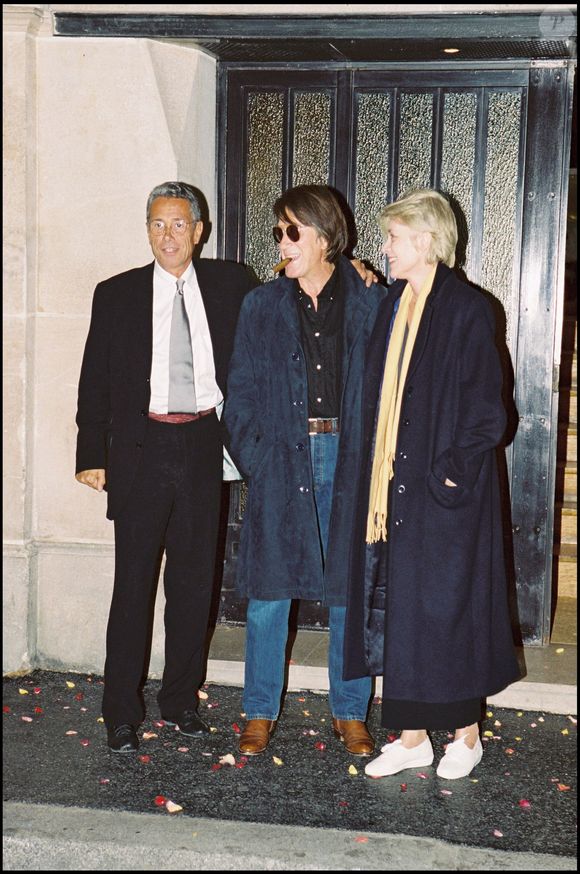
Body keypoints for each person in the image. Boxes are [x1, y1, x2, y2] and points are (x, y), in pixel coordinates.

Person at [343, 188, 521, 780]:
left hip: (447, 496)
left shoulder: (469, 309)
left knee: (450, 614)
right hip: (393, 491)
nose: (386, 247)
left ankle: (466, 735)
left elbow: (488, 413)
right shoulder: (394, 304)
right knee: (404, 615)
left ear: (424, 241)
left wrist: (449, 470)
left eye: (394, 237)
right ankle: (414, 736)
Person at [75, 181, 254, 752]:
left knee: (193, 584)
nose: (167, 235)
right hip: (140, 452)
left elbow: (295, 293)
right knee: (132, 586)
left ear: (198, 232)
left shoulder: (233, 285)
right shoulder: (117, 294)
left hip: (202, 445)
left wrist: (357, 272)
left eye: (178, 225)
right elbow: (94, 381)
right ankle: (121, 712)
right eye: (157, 224)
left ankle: (180, 701)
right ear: (147, 230)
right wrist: (90, 455)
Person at [224, 184, 387, 757]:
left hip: (350, 458)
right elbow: (238, 393)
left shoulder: (371, 300)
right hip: (281, 459)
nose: (282, 242)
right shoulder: (261, 304)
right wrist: (259, 459)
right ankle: (259, 711)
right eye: (278, 232)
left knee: (349, 588)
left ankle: (349, 712)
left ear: (324, 237)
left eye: (292, 231)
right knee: (270, 590)